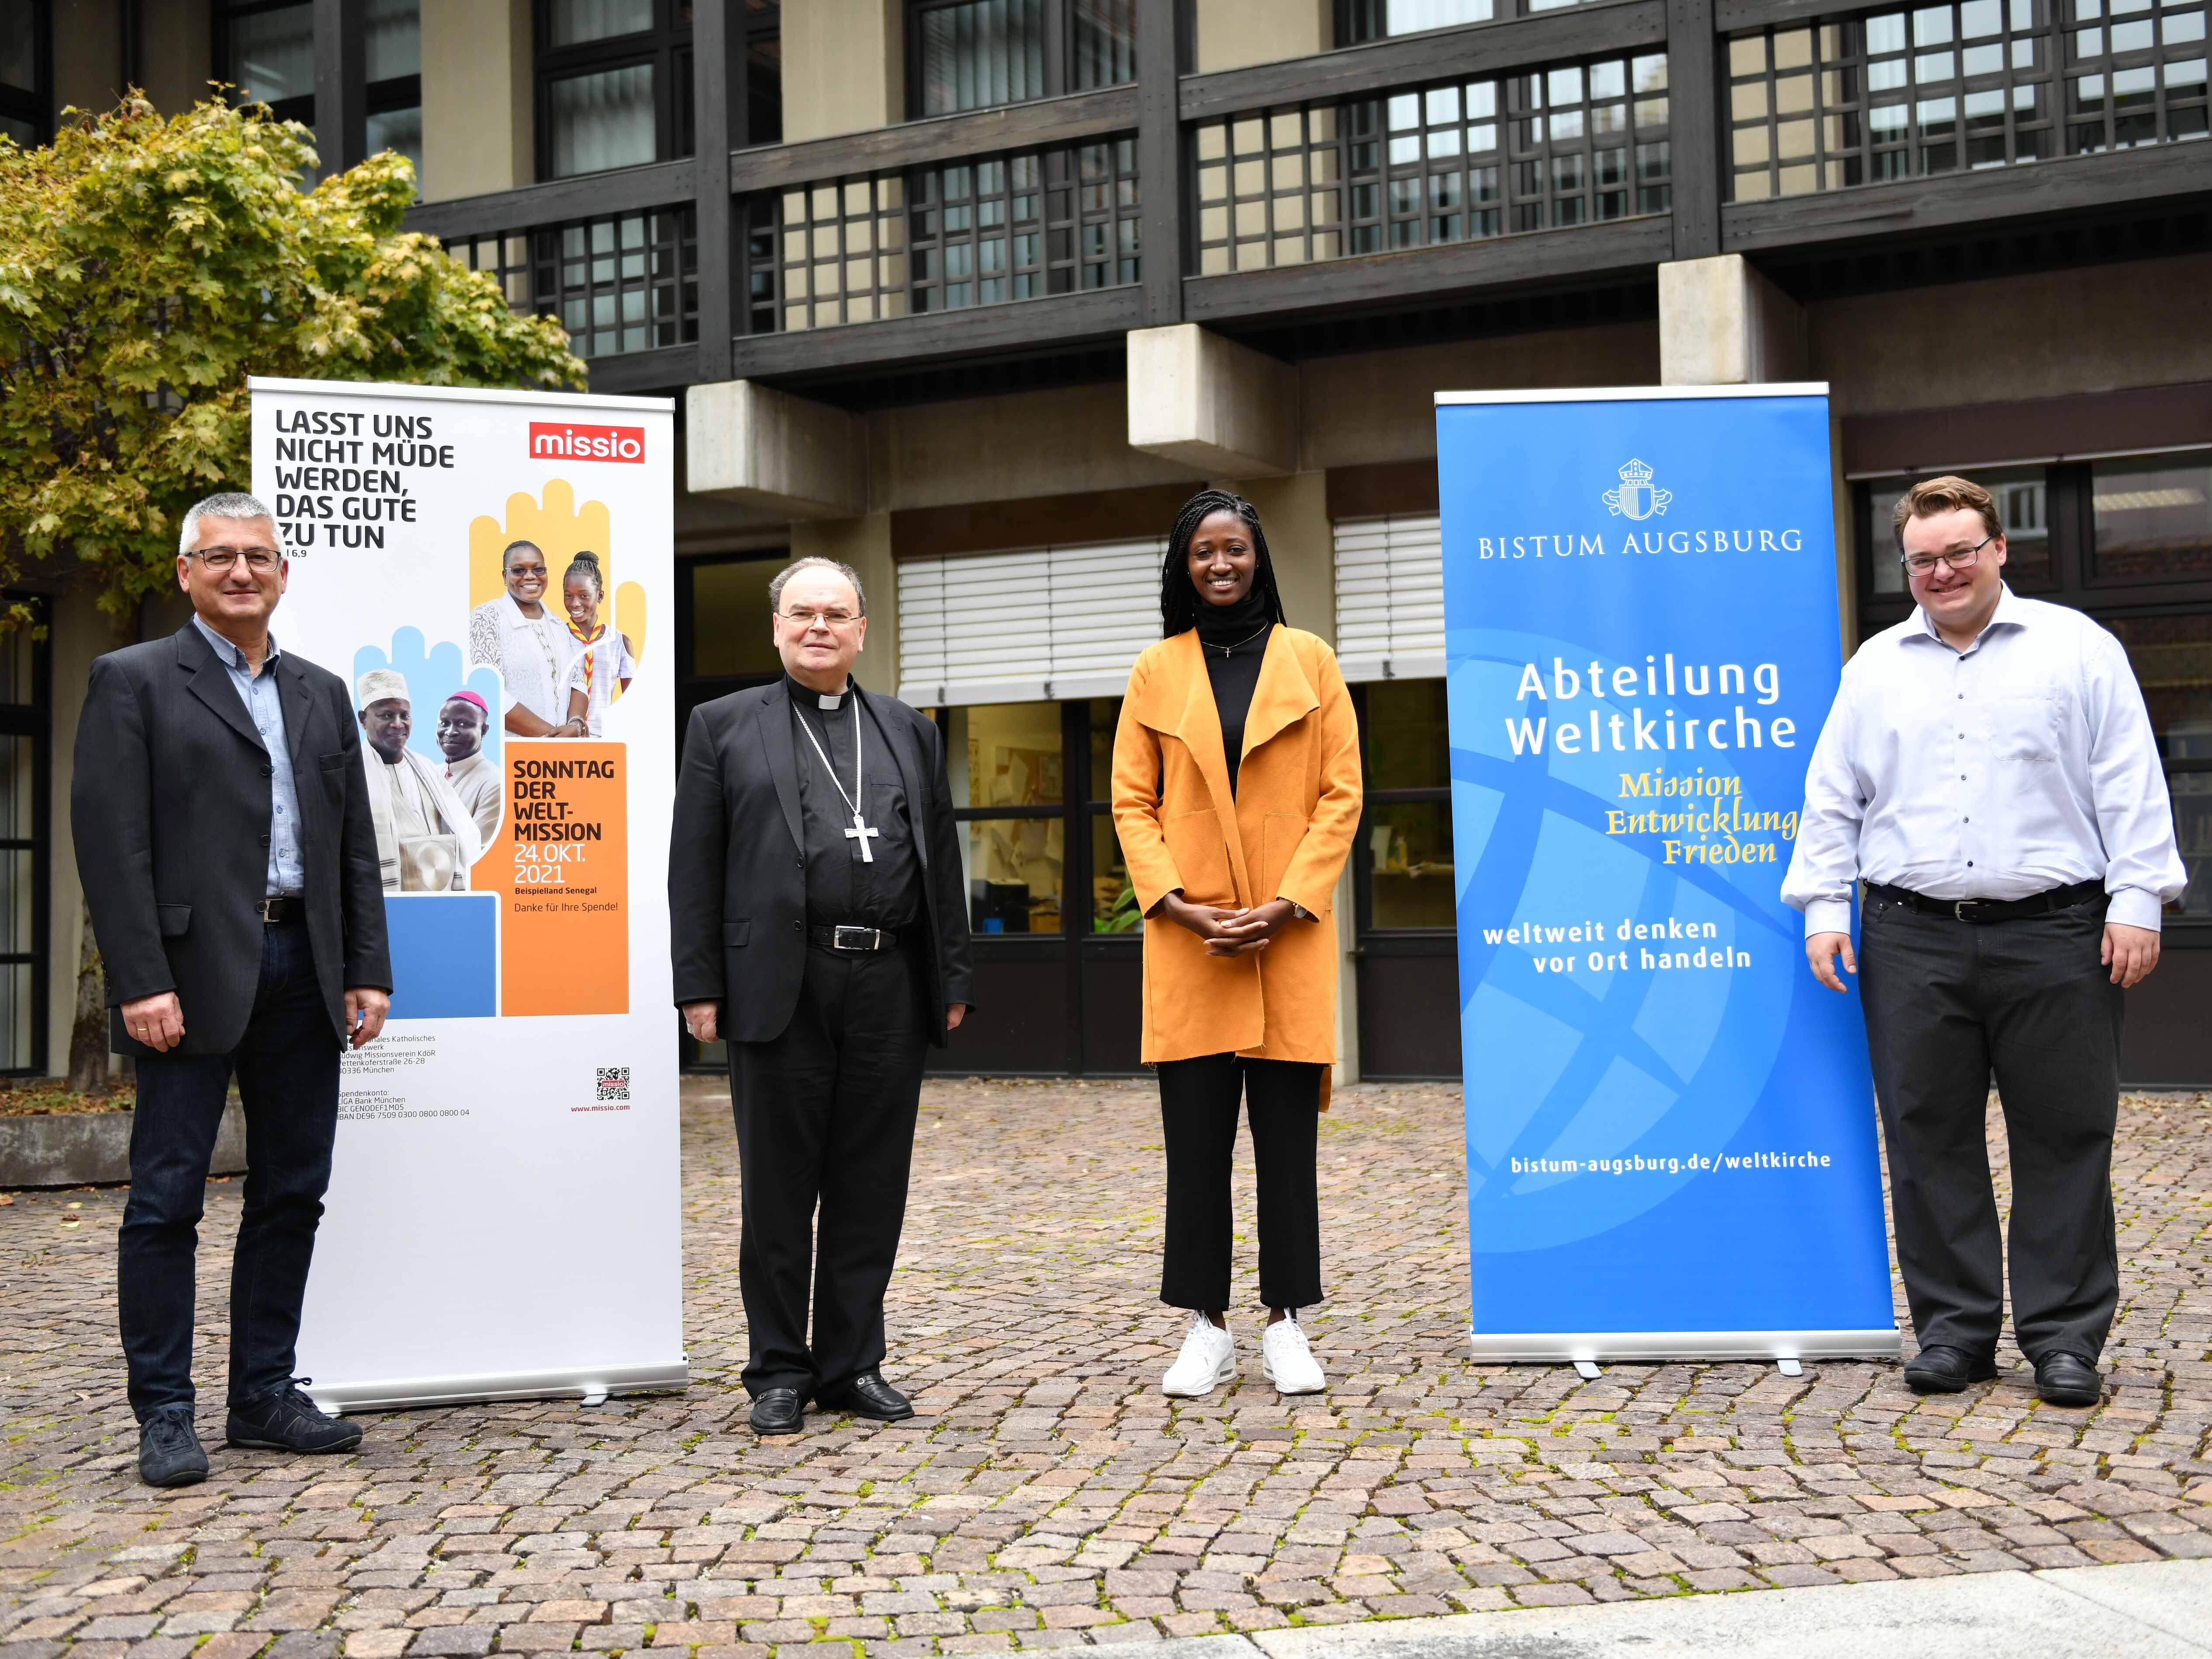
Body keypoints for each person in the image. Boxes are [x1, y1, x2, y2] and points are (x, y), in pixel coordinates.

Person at [1784, 474, 2186, 1409]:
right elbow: (1834, 796)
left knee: (2066, 1137)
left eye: (1961, 551)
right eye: (1923, 559)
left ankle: (2062, 1339)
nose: (1943, 571)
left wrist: (2139, 899)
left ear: (2000, 549)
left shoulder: (2078, 651)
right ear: (1907, 566)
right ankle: (1955, 1333)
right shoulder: (1875, 667)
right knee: (1927, 1139)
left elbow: (2129, 776)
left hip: (2058, 933)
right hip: (1910, 935)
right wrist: (1824, 910)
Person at [70, 490, 391, 1488]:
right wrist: (140, 978)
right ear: (187, 573)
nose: (242, 571)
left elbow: (351, 842)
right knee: (166, 1198)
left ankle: (261, 1393)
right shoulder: (132, 681)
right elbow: (110, 843)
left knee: (292, 1187)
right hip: (190, 975)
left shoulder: (321, 691)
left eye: (258, 555)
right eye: (219, 557)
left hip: (305, 966)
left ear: (284, 571)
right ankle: (164, 1411)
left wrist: (367, 966)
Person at [669, 556, 973, 1436]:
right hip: (776, 984)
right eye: (802, 613)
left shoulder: (908, 731)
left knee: (871, 1183)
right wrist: (699, 985)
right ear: (776, 627)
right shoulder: (722, 726)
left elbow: (942, 860)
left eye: (836, 614)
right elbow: (694, 865)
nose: (819, 628)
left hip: (889, 979)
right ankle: (776, 1370)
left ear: (862, 630)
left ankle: (851, 1364)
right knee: (778, 1187)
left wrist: (952, 976)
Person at [1109, 489, 1362, 1400]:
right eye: (1204, 552)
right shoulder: (1155, 670)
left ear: (1260, 558)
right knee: (1197, 1147)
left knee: (1288, 1148)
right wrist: (1174, 905)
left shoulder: (1312, 661)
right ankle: (1203, 1326)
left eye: (1236, 550)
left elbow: (1343, 796)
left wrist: (1293, 901)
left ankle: (1287, 1321)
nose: (1221, 565)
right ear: (1184, 566)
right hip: (1192, 946)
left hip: (1287, 940)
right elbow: (1131, 804)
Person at [357, 669, 484, 892]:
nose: (398, 724)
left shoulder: (427, 769)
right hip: (381, 901)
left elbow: (465, 832)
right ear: (363, 720)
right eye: (386, 716)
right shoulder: (353, 774)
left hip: (438, 898)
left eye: (404, 716)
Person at [468, 539, 584, 737]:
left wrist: (575, 724)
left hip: (561, 757)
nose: (530, 576)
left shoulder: (558, 625)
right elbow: (488, 690)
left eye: (538, 570)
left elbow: (577, 682)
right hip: (512, 755)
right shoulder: (487, 617)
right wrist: (552, 737)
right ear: (505, 576)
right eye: (519, 570)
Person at [560, 550, 636, 738]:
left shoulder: (619, 643)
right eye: (568, 596)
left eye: (584, 596)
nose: (575, 604)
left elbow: (632, 702)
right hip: (562, 739)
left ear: (600, 596)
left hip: (603, 740)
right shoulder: (556, 637)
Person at [437, 690, 503, 844]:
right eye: (444, 723)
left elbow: (473, 849)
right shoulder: (430, 772)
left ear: (484, 731)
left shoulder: (495, 783)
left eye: (463, 724)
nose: (451, 732)